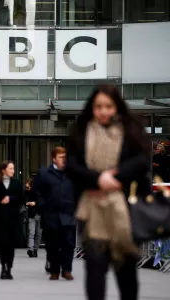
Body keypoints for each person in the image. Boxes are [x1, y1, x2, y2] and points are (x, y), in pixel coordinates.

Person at [66, 84, 150, 300]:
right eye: (98, 106)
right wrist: (98, 179)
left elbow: (141, 162)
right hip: (92, 212)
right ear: (91, 108)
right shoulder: (81, 131)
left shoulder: (131, 130)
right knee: (95, 271)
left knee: (126, 274)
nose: (103, 111)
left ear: (117, 107)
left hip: (126, 211)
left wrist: (115, 177)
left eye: (108, 106)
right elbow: (72, 166)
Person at [33, 147, 76, 281]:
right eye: (60, 157)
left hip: (68, 214)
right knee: (52, 244)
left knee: (69, 243)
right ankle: (54, 270)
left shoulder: (72, 173)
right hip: (51, 215)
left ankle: (67, 270)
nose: (64, 160)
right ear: (53, 158)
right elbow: (37, 191)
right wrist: (42, 205)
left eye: (65, 157)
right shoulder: (44, 173)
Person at [0, 161, 23, 280]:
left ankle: (9, 268)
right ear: (3, 170)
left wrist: (11, 199)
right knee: (2, 245)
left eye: (13, 168)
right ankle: (3, 266)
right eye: (10, 168)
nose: (12, 171)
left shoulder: (17, 183)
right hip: (0, 220)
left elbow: (22, 199)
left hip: (13, 219)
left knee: (11, 246)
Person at [25, 178, 41, 258]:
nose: (26, 189)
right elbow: (24, 201)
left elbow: (42, 201)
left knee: (38, 234)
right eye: (26, 187)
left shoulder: (39, 191)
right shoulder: (27, 193)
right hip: (32, 215)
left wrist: (34, 203)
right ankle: (30, 249)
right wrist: (27, 203)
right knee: (32, 232)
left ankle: (35, 249)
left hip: (40, 214)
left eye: (28, 187)